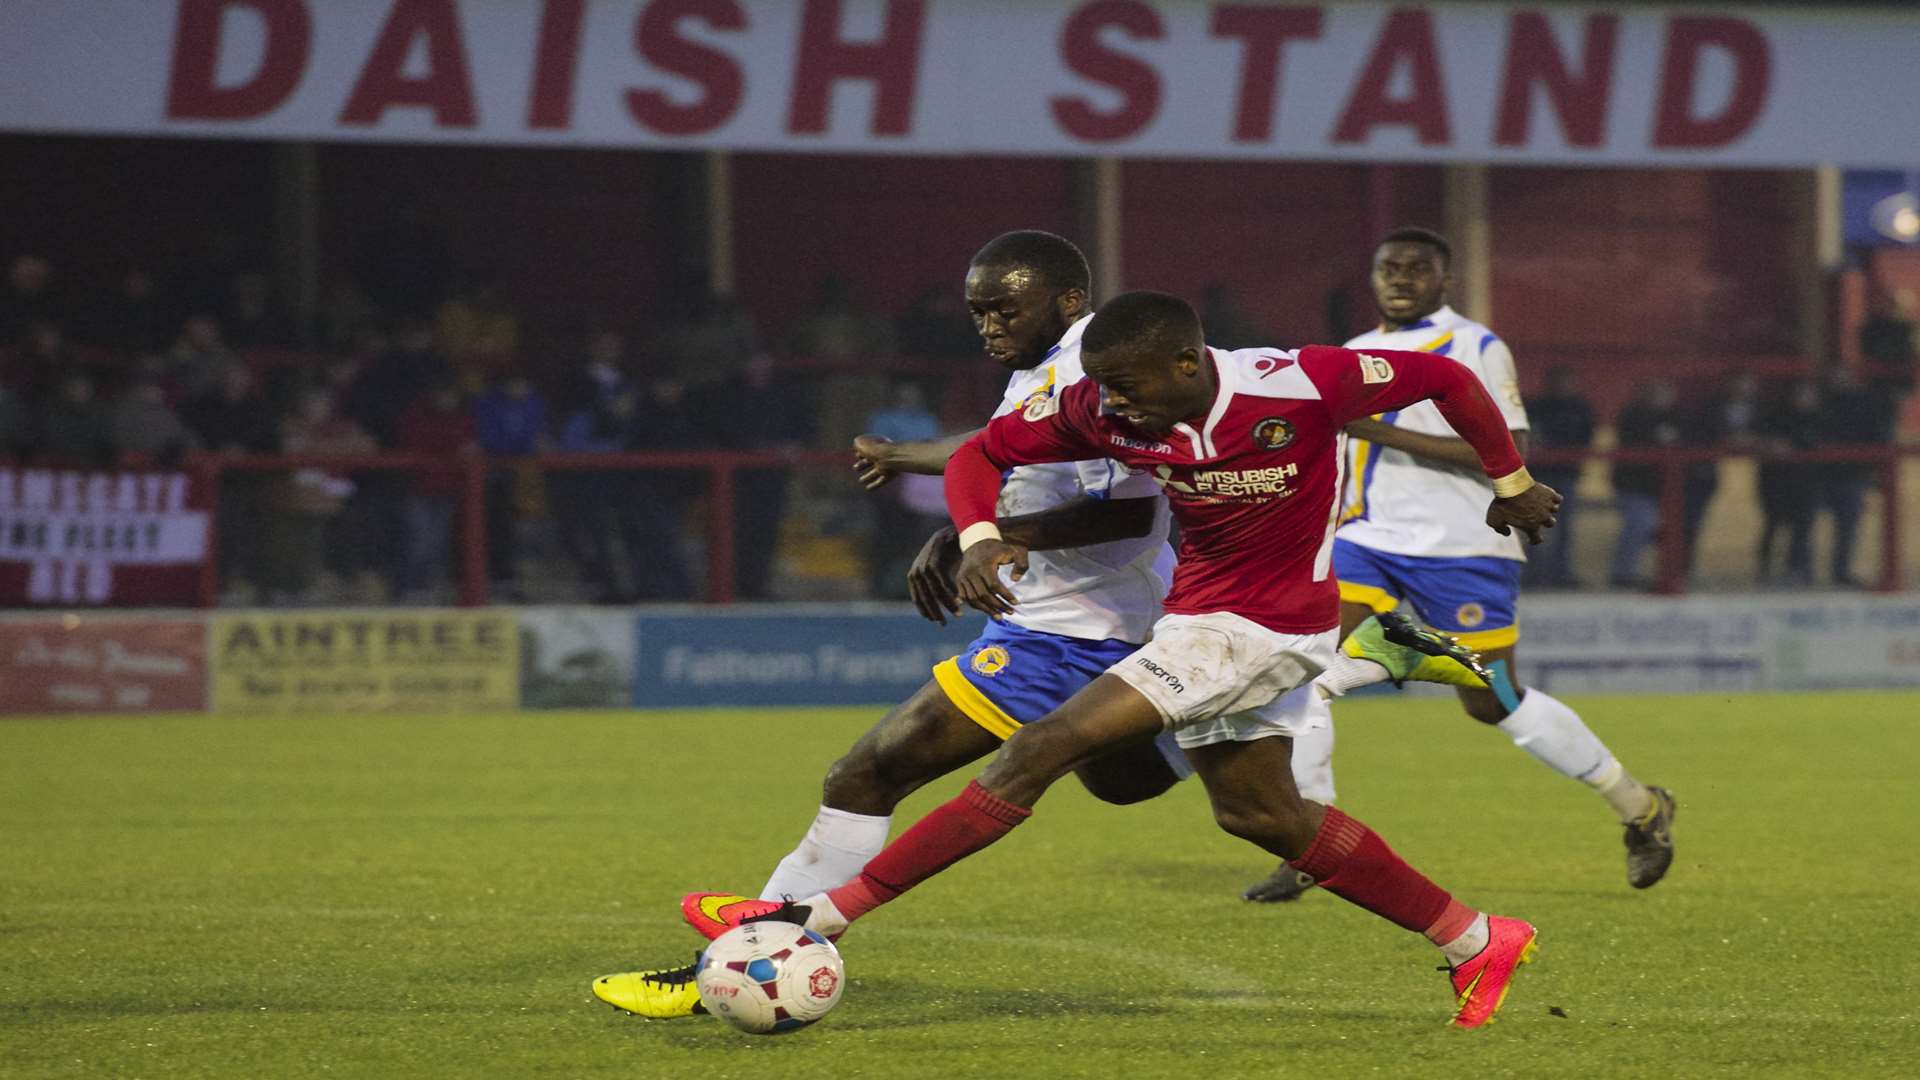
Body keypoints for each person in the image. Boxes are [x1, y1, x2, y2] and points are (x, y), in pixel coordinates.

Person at [681, 290, 1561, 1029]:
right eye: (1101, 388)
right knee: (1263, 817)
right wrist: (980, 536)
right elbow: (984, 453)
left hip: (1261, 629)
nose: (1113, 407)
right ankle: (1477, 939)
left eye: (1129, 387)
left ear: (1188, 364)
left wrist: (1511, 481)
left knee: (1038, 751)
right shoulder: (1097, 406)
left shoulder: (1297, 380)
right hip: (1199, 624)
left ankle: (809, 919)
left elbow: (1446, 376)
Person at [1246, 228, 1675, 903]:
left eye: (1419, 269)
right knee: (1307, 674)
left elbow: (1510, 450)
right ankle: (1310, 846)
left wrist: (1375, 427)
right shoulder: (1352, 354)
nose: (1402, 278)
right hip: (1369, 541)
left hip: (1463, 547)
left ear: (1444, 282)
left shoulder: (1472, 345)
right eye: (1391, 267)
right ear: (1374, 277)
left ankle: (1639, 805)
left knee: (1491, 701)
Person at [1521, 365, 1595, 589]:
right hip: (1539, 476)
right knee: (1535, 528)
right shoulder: (1536, 407)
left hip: (1566, 474)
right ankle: (1535, 576)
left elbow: (1585, 439)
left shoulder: (1581, 408)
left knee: (1564, 529)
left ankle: (1560, 574)